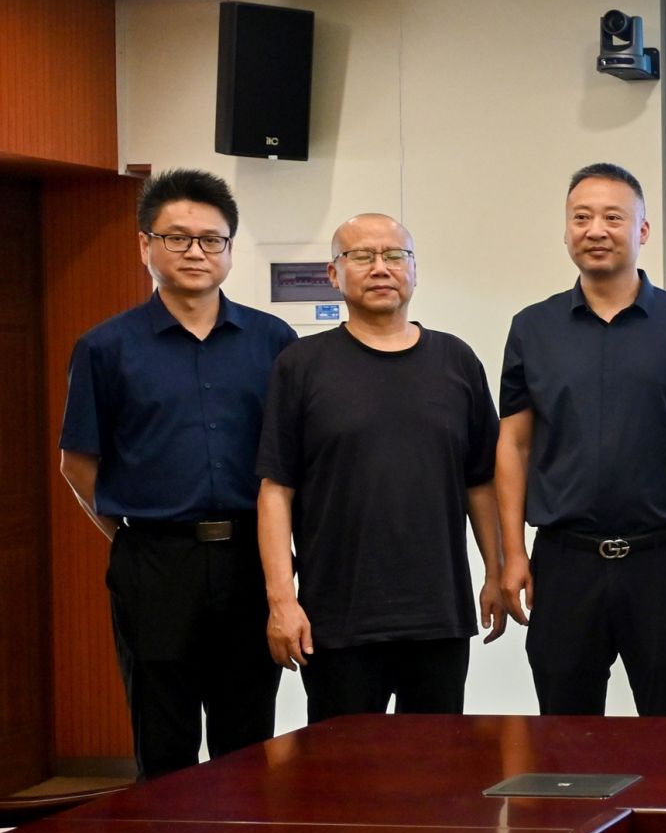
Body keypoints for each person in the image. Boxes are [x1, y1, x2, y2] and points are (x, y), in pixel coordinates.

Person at [57, 170, 295, 778]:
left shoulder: (274, 341)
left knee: (248, 740)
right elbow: (77, 463)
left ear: (230, 249)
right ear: (146, 245)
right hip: (156, 563)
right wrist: (130, 538)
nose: (196, 252)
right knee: (164, 744)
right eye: (177, 238)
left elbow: (295, 458)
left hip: (251, 559)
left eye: (212, 240)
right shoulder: (105, 348)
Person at [255, 214, 506, 721]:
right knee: (342, 766)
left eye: (394, 255)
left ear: (414, 270)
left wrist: (496, 573)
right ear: (334, 274)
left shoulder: (457, 360)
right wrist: (282, 601)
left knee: (436, 763)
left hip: (438, 615)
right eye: (361, 256)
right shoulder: (301, 365)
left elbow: (481, 482)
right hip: (338, 620)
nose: (380, 268)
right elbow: (275, 491)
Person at [497, 163, 666, 716]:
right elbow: (514, 444)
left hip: (664, 559)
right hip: (564, 560)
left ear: (643, 230)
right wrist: (512, 553)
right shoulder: (533, 327)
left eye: (613, 218)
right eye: (581, 218)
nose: (596, 230)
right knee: (564, 729)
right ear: (566, 230)